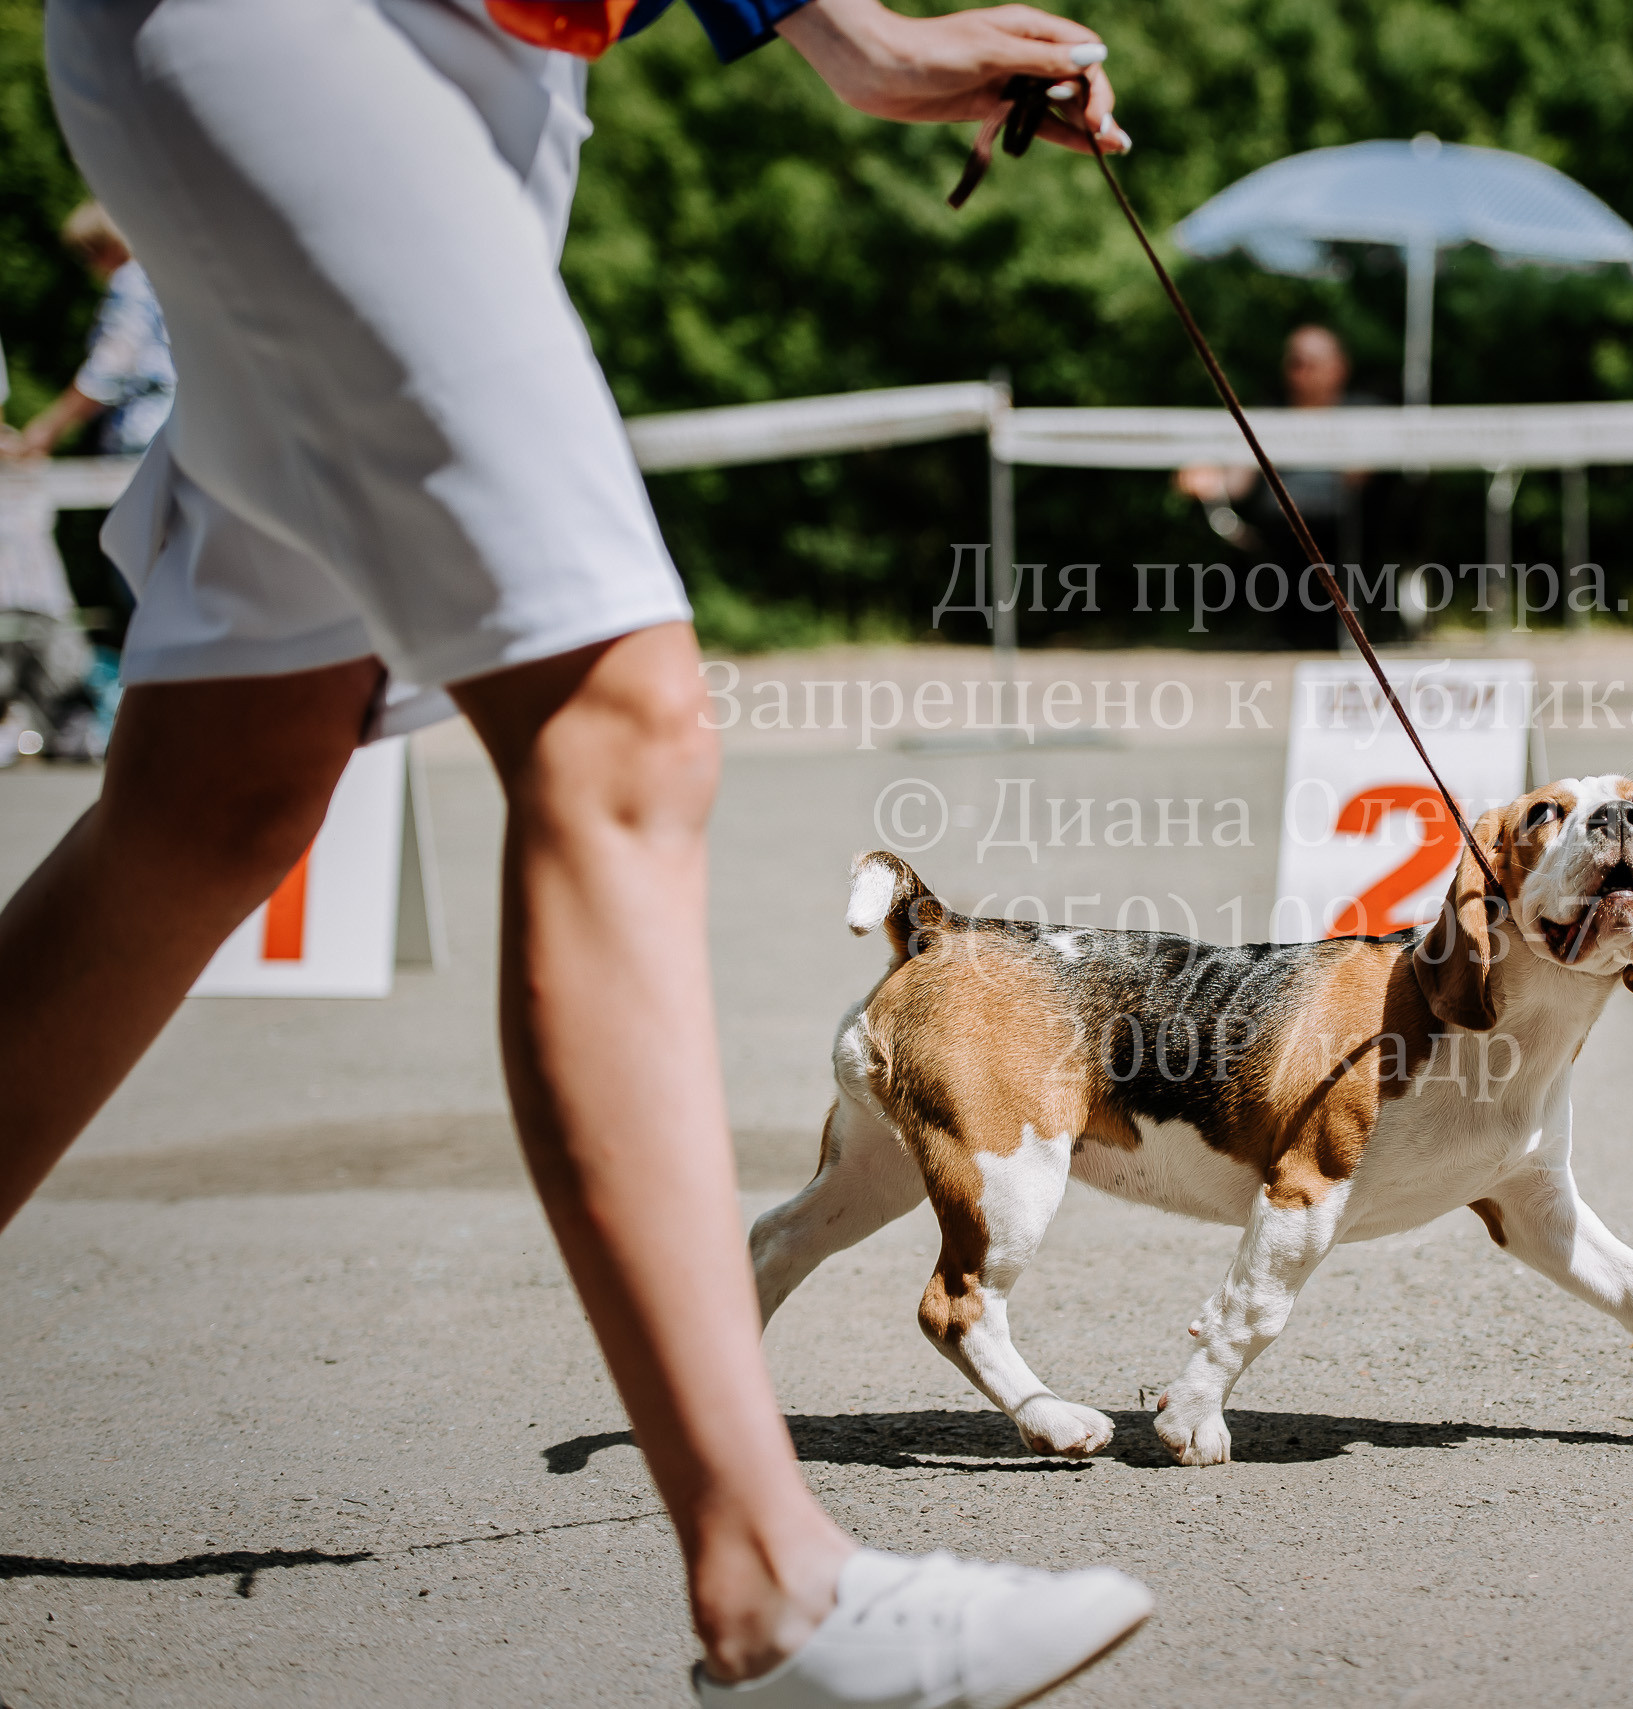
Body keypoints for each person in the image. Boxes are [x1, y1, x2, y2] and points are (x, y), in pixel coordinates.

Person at [1, 1, 1150, 1705]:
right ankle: (770, 1579)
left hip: (501, 69)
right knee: (622, 721)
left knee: (218, 796)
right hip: (302, 32)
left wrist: (851, 37)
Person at [1175, 323, 1373, 647]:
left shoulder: (1365, 415)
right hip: (1275, 533)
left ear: (1338, 368)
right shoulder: (1266, 418)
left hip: (1341, 532)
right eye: (1294, 363)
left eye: (1310, 363)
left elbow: (1366, 481)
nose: (1300, 373)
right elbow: (1235, 483)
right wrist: (1206, 479)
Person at [3, 202, 176, 462]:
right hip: (175, 428)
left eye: (88, 253)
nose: (89, 265)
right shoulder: (163, 279)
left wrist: (45, 431)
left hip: (145, 432)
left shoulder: (129, 281)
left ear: (109, 245)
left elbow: (109, 369)